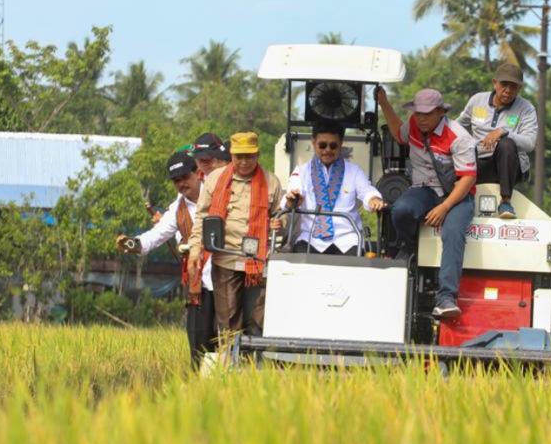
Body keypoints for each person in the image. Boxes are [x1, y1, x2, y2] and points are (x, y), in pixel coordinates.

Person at [375, 87, 476, 319]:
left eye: (427, 114)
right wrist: (384, 103)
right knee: (400, 210)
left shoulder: (459, 137)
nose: (421, 118)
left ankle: (446, 298)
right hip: (426, 189)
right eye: (418, 113)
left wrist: (444, 207)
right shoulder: (413, 125)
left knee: (452, 233)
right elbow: (397, 133)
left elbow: (468, 178)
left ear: (440, 112)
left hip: (458, 194)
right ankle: (408, 246)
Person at [115, 151, 216, 368]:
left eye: (184, 178)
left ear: (198, 173)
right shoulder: (176, 210)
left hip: (226, 280)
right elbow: (155, 236)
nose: (181, 184)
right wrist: (133, 244)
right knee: (198, 346)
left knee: (228, 342)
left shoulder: (219, 192)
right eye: (176, 181)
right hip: (198, 285)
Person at [187, 132, 283, 335]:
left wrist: (280, 223)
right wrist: (195, 251)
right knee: (229, 323)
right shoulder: (215, 179)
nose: (244, 162)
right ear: (231, 155)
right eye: (239, 156)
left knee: (259, 320)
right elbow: (202, 218)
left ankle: (257, 365)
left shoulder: (271, 182)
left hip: (259, 262)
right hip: (225, 258)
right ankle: (230, 365)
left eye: (249, 156)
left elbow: (282, 218)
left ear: (257, 155)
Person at [281, 121, 386, 255]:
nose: (327, 150)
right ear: (313, 143)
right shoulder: (301, 171)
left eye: (333, 146)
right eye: (322, 145)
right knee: (299, 258)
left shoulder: (354, 171)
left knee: (357, 261)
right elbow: (291, 195)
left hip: (347, 239)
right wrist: (292, 200)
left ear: (341, 144)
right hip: (311, 239)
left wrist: (373, 199)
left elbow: (366, 191)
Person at [457, 62, 537, 219]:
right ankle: (454, 200)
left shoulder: (526, 108)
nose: (507, 90)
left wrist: (504, 132)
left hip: (509, 165)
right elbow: (458, 126)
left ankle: (506, 202)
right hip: (477, 162)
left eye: (513, 86)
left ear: (519, 89)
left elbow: (530, 143)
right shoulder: (477, 100)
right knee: (456, 149)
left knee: (507, 144)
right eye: (504, 84)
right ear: (495, 83)